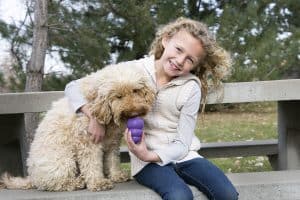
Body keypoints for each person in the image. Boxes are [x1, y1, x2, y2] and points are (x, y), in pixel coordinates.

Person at [65, 17, 238, 200]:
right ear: (165, 40)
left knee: (227, 194)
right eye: (178, 49)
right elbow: (73, 87)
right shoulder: (131, 70)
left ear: (196, 65)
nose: (179, 61)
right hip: (145, 163)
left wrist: (152, 154)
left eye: (190, 60)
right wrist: (94, 118)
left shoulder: (191, 87)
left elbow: (182, 143)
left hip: (184, 156)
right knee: (179, 196)